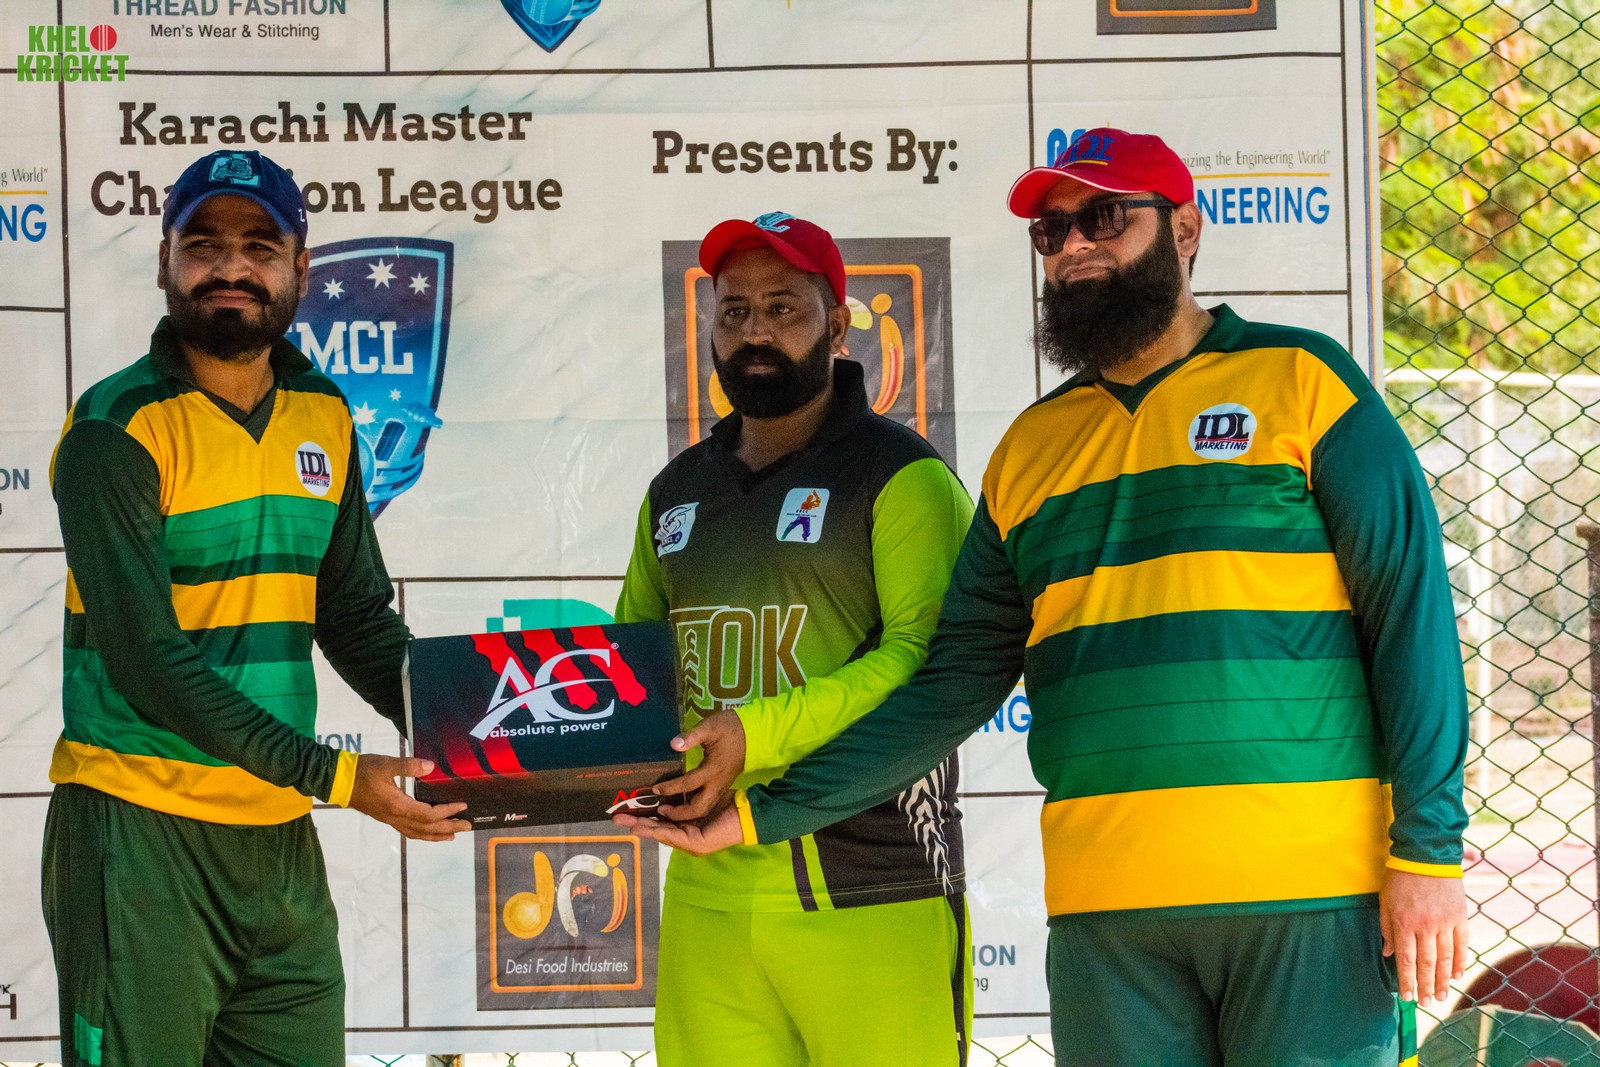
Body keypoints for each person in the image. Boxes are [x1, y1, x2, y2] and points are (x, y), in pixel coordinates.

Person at [617, 131, 1471, 1066]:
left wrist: (1427, 850)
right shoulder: (1031, 450)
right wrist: (759, 815)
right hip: (1108, 917)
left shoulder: (1304, 380)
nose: (1074, 246)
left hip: (1311, 896)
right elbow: (948, 686)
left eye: (1105, 217)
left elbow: (1411, 617)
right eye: (1051, 230)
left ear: (1185, 229)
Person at [43, 148, 469, 1067]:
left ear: (301, 269)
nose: (230, 267)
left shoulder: (322, 410)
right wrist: (340, 776)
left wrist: (479, 732)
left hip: (277, 843)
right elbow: (147, 661)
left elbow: (353, 613)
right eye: (203, 244)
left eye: (259, 247)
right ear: (165, 261)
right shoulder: (115, 429)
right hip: (139, 828)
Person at [612, 211, 976, 1066]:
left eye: (783, 308)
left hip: (870, 883)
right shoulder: (676, 489)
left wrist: (758, 731)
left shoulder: (902, 474)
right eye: (734, 311)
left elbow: (927, 664)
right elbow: (630, 668)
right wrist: (527, 753)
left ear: (839, 324)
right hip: (706, 889)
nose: (755, 332)